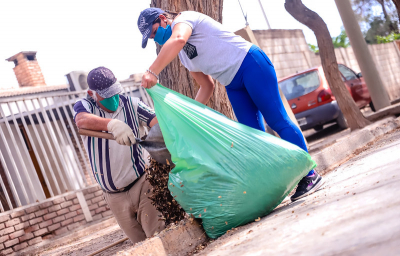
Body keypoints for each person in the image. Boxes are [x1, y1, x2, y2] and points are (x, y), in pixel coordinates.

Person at [137, 8, 324, 202]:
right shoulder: (184, 56)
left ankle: (310, 174)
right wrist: (188, 116)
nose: (155, 39)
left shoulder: (184, 20)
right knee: (253, 137)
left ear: (162, 19)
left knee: (277, 120)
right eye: (151, 38)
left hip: (250, 64)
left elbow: (178, 39)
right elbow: (206, 86)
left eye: (153, 33)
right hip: (233, 85)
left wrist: (152, 71)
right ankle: (275, 185)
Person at [73, 67, 165, 243]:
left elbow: (157, 123)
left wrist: (160, 136)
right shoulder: (85, 106)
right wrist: (113, 125)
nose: (113, 99)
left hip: (142, 185)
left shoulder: (133, 104)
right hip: (113, 196)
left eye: (115, 93)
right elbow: (81, 120)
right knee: (141, 246)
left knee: (158, 236)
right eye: (107, 96)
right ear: (92, 93)